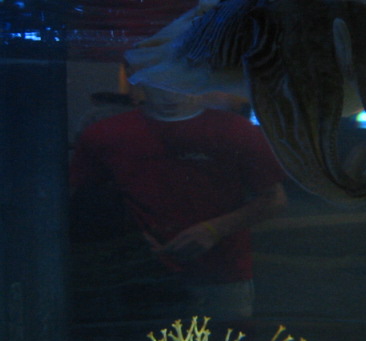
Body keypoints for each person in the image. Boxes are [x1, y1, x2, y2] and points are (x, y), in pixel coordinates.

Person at [69, 83, 287, 328]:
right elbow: (81, 201)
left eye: (181, 83)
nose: (171, 94)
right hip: (133, 276)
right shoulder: (104, 134)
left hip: (220, 272)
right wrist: (128, 237)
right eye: (160, 84)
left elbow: (273, 198)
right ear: (140, 81)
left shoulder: (236, 130)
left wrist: (215, 230)